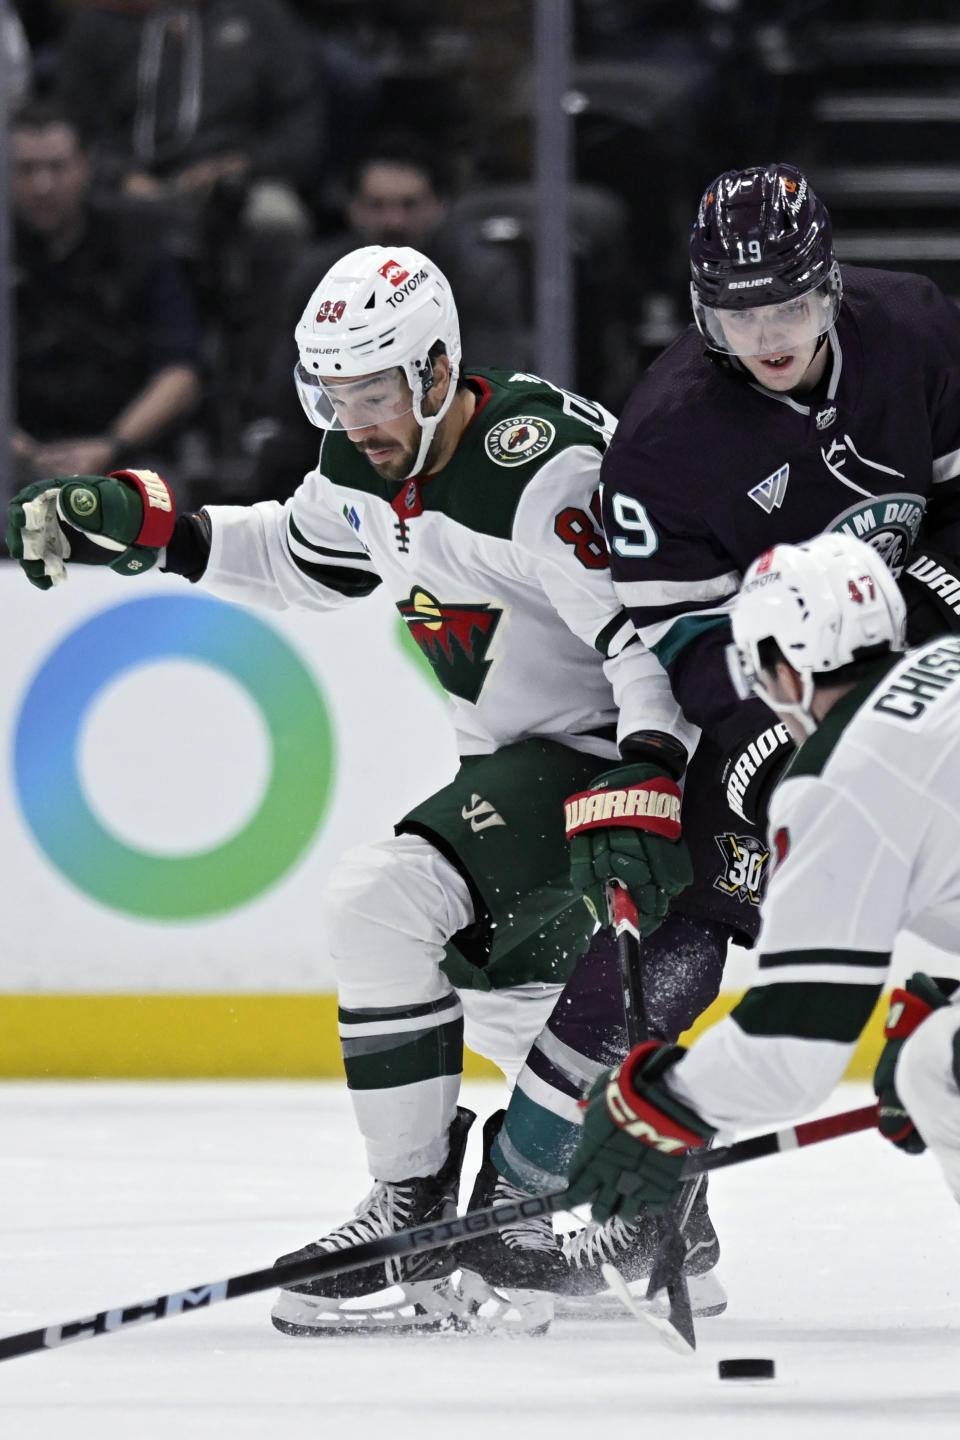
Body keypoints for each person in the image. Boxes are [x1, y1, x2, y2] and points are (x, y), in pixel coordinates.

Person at [7, 243, 739, 1337]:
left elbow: (650, 629)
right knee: (495, 993)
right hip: (520, 769)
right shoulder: (361, 461)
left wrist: (648, 768)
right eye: (335, 392)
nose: (356, 417)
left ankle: (409, 1203)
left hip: (610, 764)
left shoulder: (540, 466)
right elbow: (308, 557)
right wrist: (160, 530)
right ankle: (660, 1207)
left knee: (384, 899)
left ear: (439, 371)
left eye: (376, 390)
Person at [563, 532, 960, 1234]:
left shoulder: (844, 778)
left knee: (939, 1064)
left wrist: (659, 1101)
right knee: (941, 1060)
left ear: (783, 667)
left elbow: (791, 1048)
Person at [598, 161, 960, 896]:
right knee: (710, 894)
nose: (767, 338)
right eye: (741, 316)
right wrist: (779, 724)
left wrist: (917, 624)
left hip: (936, 635)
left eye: (788, 308)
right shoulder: (659, 444)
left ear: (828, 287)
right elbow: (693, 638)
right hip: (787, 694)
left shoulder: (914, 328)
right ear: (704, 312)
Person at [248, 135, 530, 499]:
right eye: (377, 205)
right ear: (352, 208)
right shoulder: (318, 276)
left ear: (440, 205)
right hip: (341, 442)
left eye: (410, 205)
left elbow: (488, 382)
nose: (394, 220)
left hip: (445, 446)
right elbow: (285, 387)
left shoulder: (481, 274)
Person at [10, 101, 201, 497]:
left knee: (152, 511)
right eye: (26, 169)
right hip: (15, 455)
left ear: (85, 167)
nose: (42, 185)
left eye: (56, 167)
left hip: (124, 451)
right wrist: (16, 446)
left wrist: (109, 445)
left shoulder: (140, 245)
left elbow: (180, 374)